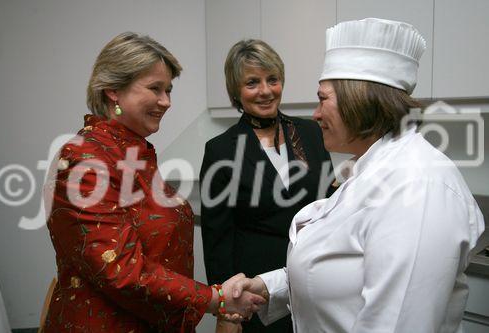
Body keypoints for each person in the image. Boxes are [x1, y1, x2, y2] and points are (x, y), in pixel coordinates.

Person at [230, 18, 485, 332]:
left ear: (358, 101)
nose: (316, 114)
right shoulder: (370, 169)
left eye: (324, 99)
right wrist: (271, 288)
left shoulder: (417, 188)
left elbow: (396, 323)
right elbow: (344, 272)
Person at [42, 32, 264, 333]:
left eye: (169, 90)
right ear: (112, 92)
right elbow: (121, 270)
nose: (166, 102)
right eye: (155, 89)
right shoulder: (87, 158)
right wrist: (215, 299)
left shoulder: (133, 153)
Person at [199, 39, 334, 333]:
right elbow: (217, 238)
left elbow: (327, 203)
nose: (265, 91)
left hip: (313, 283)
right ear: (236, 90)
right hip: (256, 295)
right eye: (252, 82)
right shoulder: (221, 150)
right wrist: (229, 308)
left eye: (272, 79)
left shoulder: (310, 133)